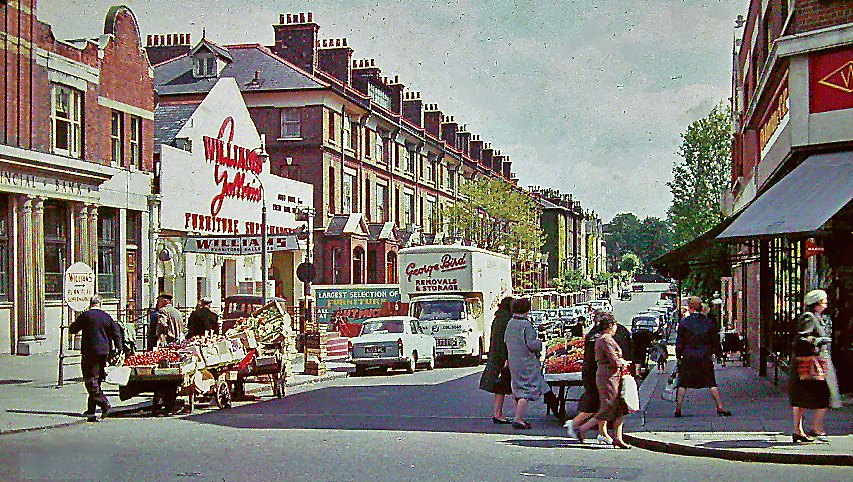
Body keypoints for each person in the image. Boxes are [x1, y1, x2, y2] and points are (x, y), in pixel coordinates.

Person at [565, 311, 632, 444]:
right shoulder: (602, 339)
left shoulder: (597, 336)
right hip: (605, 376)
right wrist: (622, 362)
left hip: (606, 375)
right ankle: (579, 427)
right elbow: (612, 359)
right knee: (604, 406)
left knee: (609, 405)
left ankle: (607, 434)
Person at [790, 289, 841, 443]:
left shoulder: (818, 317)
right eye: (824, 301)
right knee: (811, 396)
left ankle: (808, 428)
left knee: (818, 396)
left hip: (818, 365)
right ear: (817, 303)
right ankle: (806, 429)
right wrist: (819, 341)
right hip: (811, 365)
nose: (826, 304)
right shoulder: (809, 317)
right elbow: (802, 338)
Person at [504, 297, 558, 429]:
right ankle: (518, 419)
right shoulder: (526, 325)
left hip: (513, 360)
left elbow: (506, 340)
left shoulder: (510, 323)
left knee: (517, 389)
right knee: (527, 390)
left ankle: (518, 415)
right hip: (526, 362)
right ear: (527, 310)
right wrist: (540, 343)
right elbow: (532, 345)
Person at [674, 296, 731, 418]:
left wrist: (679, 356)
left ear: (689, 307)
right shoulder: (708, 322)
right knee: (711, 382)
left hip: (688, 355)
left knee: (683, 382)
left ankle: (678, 408)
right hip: (704, 356)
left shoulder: (684, 323)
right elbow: (715, 341)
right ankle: (720, 407)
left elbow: (679, 343)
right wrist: (719, 355)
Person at [68, 297, 122, 422]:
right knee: (97, 379)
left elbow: (72, 329)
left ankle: (104, 404)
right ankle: (91, 409)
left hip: (90, 351)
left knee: (90, 380)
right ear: (100, 304)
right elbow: (116, 333)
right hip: (104, 352)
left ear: (90, 304)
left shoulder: (85, 315)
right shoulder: (106, 316)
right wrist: (119, 349)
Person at [479, 296, 515, 424]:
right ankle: (515, 416)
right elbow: (504, 341)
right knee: (512, 385)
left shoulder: (498, 318)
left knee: (501, 387)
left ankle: (498, 413)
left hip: (496, 356)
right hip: (503, 357)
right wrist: (506, 358)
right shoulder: (507, 319)